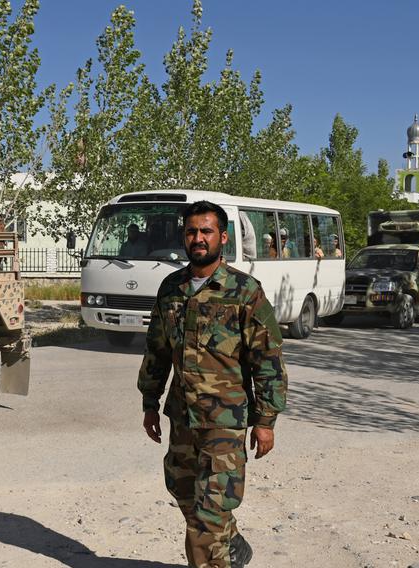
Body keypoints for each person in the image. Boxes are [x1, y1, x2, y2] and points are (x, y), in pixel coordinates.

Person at [138, 200, 287, 568]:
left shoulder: (244, 291)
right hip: (182, 417)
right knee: (183, 489)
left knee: (209, 514)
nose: (198, 238)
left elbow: (267, 358)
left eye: (206, 231)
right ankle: (229, 539)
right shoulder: (171, 288)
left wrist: (265, 421)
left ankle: (214, 553)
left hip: (225, 421)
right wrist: (149, 403)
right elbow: (157, 349)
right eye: (191, 232)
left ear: (223, 237)